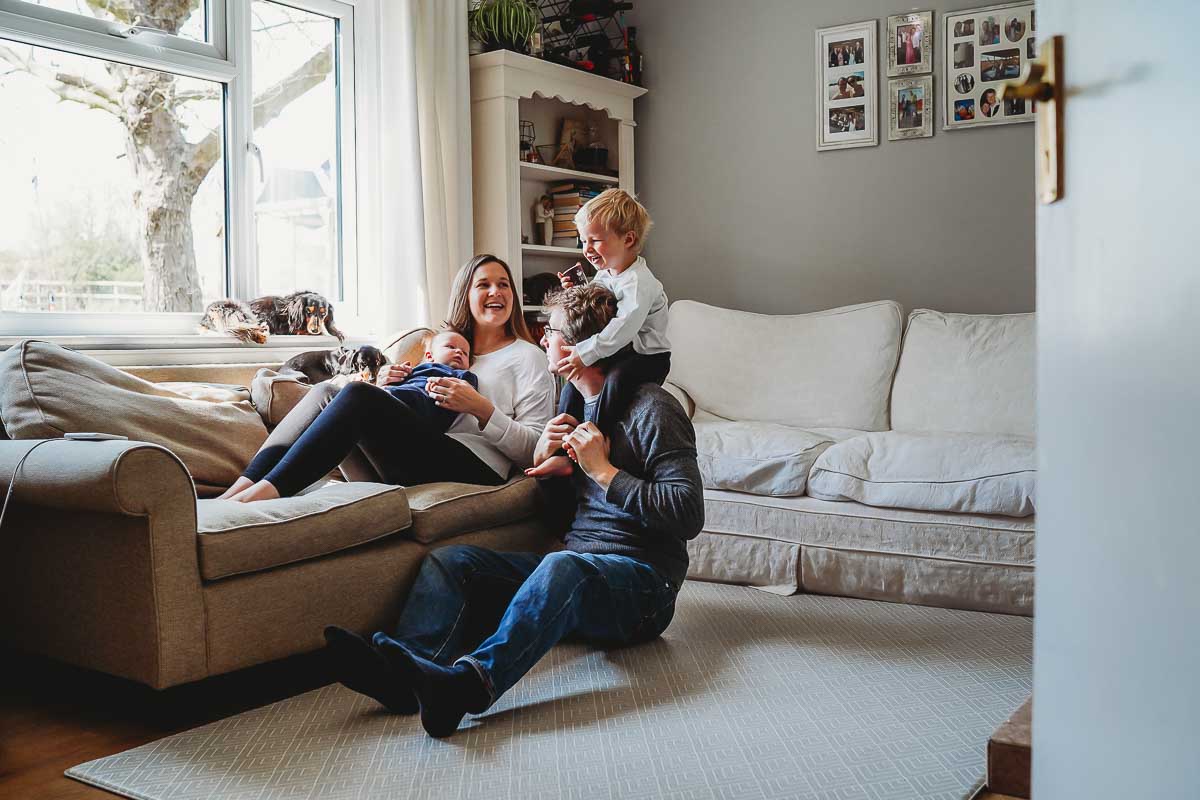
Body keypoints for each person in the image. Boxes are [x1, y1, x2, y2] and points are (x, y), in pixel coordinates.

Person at [322, 282, 705, 738]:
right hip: (584, 567)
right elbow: (564, 516)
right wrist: (549, 459)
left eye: (553, 329)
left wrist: (603, 472)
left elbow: (688, 513)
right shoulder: (579, 406)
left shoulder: (653, 409)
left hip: (645, 586)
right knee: (452, 561)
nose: (543, 336)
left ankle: (467, 687)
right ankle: (403, 677)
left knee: (565, 567)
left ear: (583, 348)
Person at [217, 254, 555, 502]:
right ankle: (237, 490)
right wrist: (387, 384)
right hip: (415, 450)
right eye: (484, 284)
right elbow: (407, 406)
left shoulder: (528, 357)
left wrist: (483, 409)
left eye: (504, 284)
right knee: (326, 391)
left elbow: (534, 452)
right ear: (465, 295)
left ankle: (261, 496)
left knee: (358, 397)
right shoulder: (446, 348)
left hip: (477, 465)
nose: (496, 292)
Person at [528, 188, 670, 479]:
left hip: (647, 356)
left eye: (594, 240)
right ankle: (562, 449)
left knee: (615, 381)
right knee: (571, 386)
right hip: (622, 350)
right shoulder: (608, 273)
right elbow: (597, 305)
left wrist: (584, 352)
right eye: (583, 241)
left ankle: (597, 443)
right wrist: (575, 290)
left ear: (628, 239)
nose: (586, 249)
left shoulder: (638, 282)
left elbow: (622, 327)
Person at [380, 330, 476, 431]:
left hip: (429, 407)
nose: (459, 351)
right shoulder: (417, 369)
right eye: (450, 347)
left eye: (465, 353)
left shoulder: (463, 374)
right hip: (403, 397)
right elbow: (399, 381)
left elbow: (469, 391)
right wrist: (402, 372)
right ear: (430, 356)